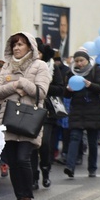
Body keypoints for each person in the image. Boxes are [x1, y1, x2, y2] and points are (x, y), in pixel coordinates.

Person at [0, 32, 50, 200]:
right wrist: (13, 86)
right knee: (12, 162)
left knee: (23, 159)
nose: (17, 47)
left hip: (29, 120)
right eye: (15, 44)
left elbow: (40, 93)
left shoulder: (40, 65)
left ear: (30, 47)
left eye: (21, 44)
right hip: (8, 119)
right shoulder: (7, 66)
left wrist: (22, 83)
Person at [62, 49, 100, 178]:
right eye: (76, 61)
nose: (79, 64)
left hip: (94, 110)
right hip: (77, 110)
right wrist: (68, 90)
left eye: (81, 60)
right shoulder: (71, 72)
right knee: (74, 138)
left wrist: (90, 85)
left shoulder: (95, 70)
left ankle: (92, 168)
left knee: (92, 141)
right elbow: (66, 94)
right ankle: (70, 167)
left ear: (87, 60)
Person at [34, 40, 66, 188]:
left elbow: (60, 89)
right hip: (30, 110)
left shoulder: (53, 67)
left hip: (47, 112)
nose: (36, 55)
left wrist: (42, 87)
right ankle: (34, 176)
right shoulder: (27, 66)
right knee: (31, 145)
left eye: (39, 52)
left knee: (44, 143)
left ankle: (45, 171)